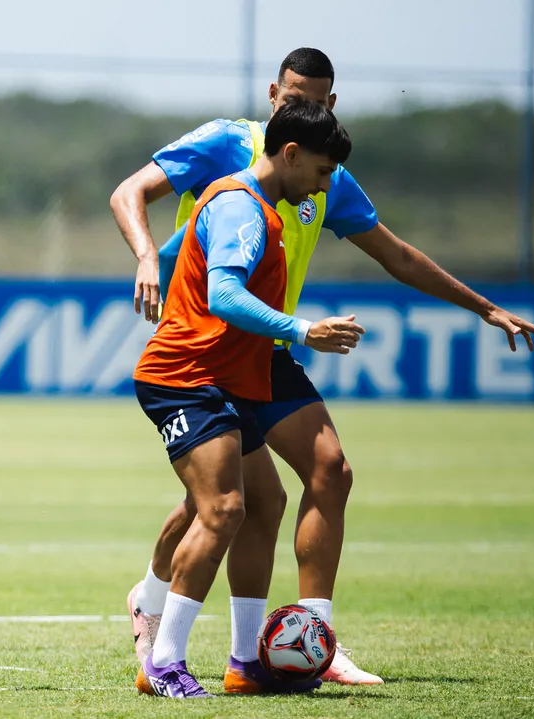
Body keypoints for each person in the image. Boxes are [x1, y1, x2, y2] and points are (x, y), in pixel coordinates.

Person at [111, 47, 534, 685]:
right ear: (273, 97)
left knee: (317, 475)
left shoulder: (325, 172)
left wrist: (485, 308)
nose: (303, 109)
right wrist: (151, 259)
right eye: (293, 98)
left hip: (263, 351)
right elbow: (134, 197)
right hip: (204, 348)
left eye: (314, 101)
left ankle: (299, 642)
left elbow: (397, 255)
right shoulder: (230, 157)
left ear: (330, 104)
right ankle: (157, 621)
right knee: (219, 503)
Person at [134, 98, 364, 699]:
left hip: (226, 376)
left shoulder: (252, 203)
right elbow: (226, 297)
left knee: (265, 503)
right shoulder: (243, 207)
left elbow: (174, 256)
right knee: (223, 509)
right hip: (186, 376)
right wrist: (302, 329)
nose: (324, 185)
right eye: (320, 171)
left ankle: (245, 663)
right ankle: (163, 661)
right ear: (288, 154)